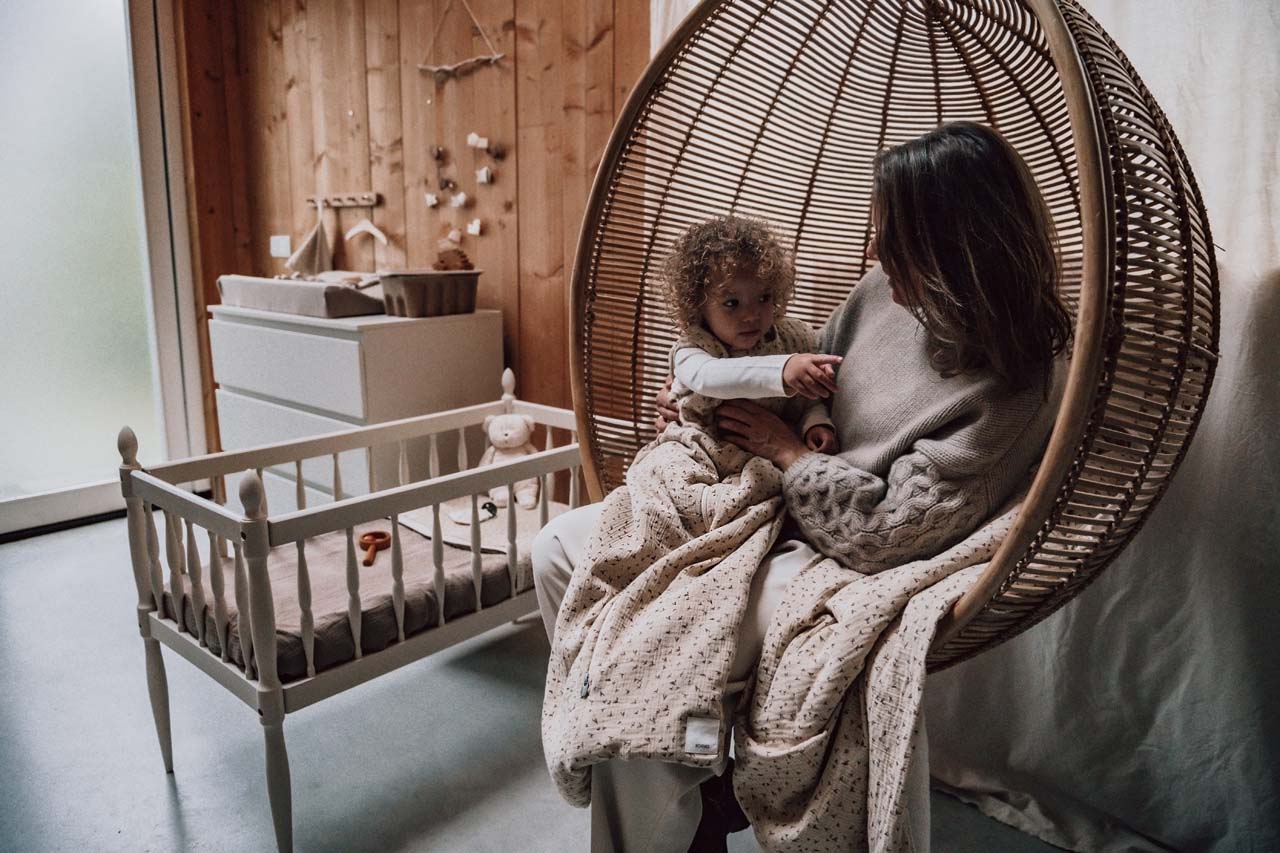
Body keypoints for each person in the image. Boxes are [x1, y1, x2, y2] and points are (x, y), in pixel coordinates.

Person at [533, 120, 1072, 852]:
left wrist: (788, 452)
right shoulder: (886, 293)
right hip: (757, 493)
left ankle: (670, 788)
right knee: (558, 548)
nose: (876, 255)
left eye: (896, 239)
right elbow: (803, 360)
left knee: (654, 650)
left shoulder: (1012, 389)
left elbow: (888, 535)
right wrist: (705, 392)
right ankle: (690, 775)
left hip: (836, 549)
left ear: (957, 249)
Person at [657, 214, 842, 455]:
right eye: (732, 303)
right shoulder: (693, 348)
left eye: (764, 298)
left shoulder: (789, 340)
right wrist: (782, 370)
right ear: (697, 305)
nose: (752, 315)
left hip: (760, 462)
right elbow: (709, 378)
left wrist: (816, 425)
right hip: (695, 450)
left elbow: (807, 401)